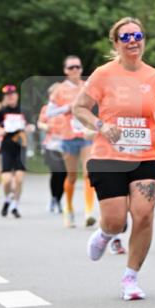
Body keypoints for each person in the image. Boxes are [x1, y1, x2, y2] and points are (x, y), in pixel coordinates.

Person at [72, 17, 155, 301]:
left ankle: (130, 277)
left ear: (143, 40)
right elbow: (79, 107)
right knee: (116, 220)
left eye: (137, 35)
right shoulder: (104, 74)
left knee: (144, 215)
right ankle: (106, 234)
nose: (133, 41)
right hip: (108, 156)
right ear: (116, 43)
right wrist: (101, 126)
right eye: (126, 37)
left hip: (145, 154)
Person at [48, 56, 96, 228]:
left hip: (86, 136)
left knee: (89, 173)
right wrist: (66, 108)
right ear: (65, 71)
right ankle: (69, 210)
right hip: (67, 137)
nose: (74, 70)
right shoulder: (60, 89)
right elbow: (49, 112)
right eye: (71, 67)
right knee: (72, 176)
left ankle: (89, 212)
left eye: (77, 67)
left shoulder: (88, 87)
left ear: (81, 69)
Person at [0, 85, 35, 218]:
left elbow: (32, 125)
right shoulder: (2, 112)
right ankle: (7, 199)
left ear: (16, 96)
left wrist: (29, 128)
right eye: (8, 96)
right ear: (5, 98)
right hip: (7, 146)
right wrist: (1, 131)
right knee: (6, 180)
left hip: (20, 147)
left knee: (19, 179)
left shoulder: (24, 110)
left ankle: (15, 206)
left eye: (12, 95)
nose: (10, 97)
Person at [37, 86, 66, 213]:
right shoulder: (46, 109)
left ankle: (58, 200)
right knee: (56, 172)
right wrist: (45, 126)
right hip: (51, 145)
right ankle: (53, 198)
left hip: (66, 144)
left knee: (64, 174)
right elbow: (39, 123)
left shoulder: (67, 108)